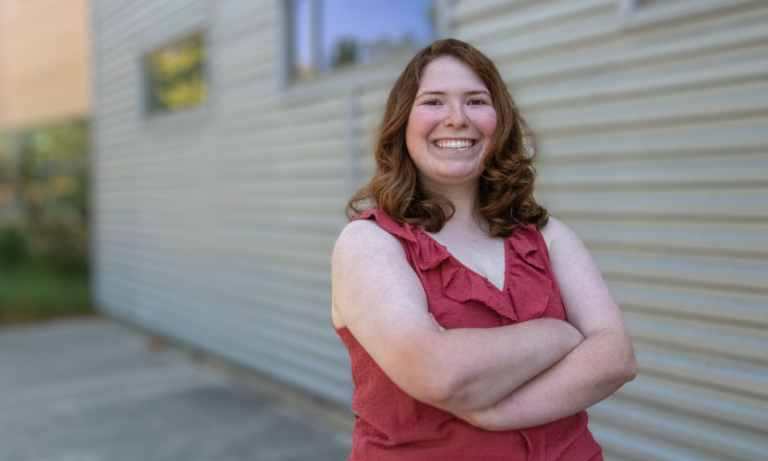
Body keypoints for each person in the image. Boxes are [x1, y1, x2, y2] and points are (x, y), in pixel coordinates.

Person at [331, 39, 636, 461]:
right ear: (402, 123)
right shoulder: (369, 243)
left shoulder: (549, 237)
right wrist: (560, 333)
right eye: (433, 102)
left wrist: (495, 413)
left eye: (475, 101)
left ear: (501, 121)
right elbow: (438, 373)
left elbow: (617, 357)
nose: (456, 119)